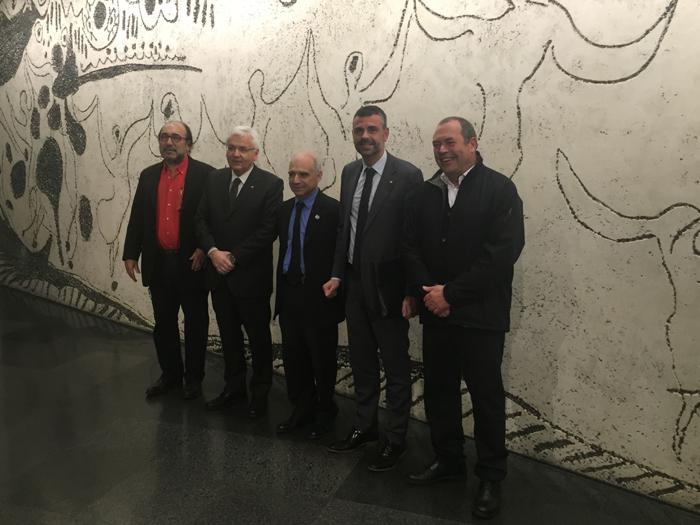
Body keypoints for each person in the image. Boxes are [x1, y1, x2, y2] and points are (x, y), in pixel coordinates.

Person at [403, 117, 524, 520]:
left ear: (472, 143)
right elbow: (410, 247)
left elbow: (502, 254)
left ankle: (491, 476)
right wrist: (428, 293)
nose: (442, 150)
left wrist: (450, 295)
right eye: (437, 144)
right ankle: (448, 460)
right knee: (439, 392)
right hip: (436, 315)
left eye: (450, 142)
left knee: (486, 399)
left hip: (480, 317)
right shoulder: (426, 192)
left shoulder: (500, 190)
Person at [323, 105, 423, 471]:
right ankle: (365, 426)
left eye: (372, 129)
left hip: (389, 289)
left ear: (386, 133)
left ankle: (395, 439)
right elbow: (344, 230)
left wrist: (412, 291)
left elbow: (414, 238)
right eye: (358, 130)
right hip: (354, 284)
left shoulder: (408, 175)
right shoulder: (350, 172)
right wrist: (337, 273)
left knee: (395, 367)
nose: (365, 136)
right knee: (362, 361)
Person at [195, 126, 283, 418]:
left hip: (251, 279)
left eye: (243, 149)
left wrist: (233, 257)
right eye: (231, 147)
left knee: (258, 340)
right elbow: (200, 220)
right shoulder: (214, 179)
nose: (235, 154)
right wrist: (212, 252)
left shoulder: (271, 184)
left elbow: (268, 230)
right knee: (229, 337)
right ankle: (233, 389)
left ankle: (259, 394)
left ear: (255, 154)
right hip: (218, 277)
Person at [123, 120, 213, 400]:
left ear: (189, 143)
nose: (169, 142)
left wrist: (204, 249)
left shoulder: (206, 175)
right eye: (164, 137)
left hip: (192, 262)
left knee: (195, 323)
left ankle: (194, 379)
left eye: (176, 137)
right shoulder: (148, 175)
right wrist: (130, 253)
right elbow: (138, 216)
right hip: (158, 261)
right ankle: (170, 375)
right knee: (163, 323)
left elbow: (213, 218)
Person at [274, 151, 344, 439]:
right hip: (290, 294)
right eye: (291, 173)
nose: (296, 179)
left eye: (303, 174)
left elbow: (341, 252)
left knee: (322, 359)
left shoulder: (333, 210)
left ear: (319, 176)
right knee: (294, 357)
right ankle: (301, 408)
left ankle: (325, 411)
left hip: (319, 297)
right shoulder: (284, 210)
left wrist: (336, 281)